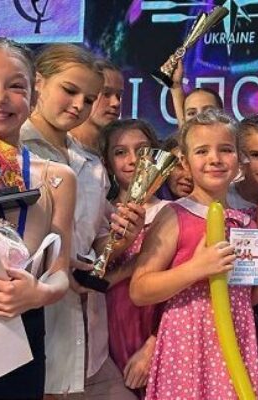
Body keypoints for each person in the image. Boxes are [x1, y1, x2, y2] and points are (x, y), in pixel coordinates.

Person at [129, 109, 258, 399]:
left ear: (239, 158)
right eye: (202, 151)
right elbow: (139, 290)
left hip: (236, 338)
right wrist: (197, 268)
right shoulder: (174, 215)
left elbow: (242, 296)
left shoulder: (246, 221)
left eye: (225, 150)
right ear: (185, 163)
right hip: (187, 341)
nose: (215, 159)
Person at [20, 43, 142, 399]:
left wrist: (122, 236)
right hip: (27, 318)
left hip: (84, 332)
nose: (78, 106)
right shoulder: (12, 150)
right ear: (39, 82)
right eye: (69, 90)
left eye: (89, 99)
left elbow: (96, 246)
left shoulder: (91, 164)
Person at [0, 37, 75, 400]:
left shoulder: (57, 178)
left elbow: (60, 272)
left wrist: (37, 293)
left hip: (18, 337)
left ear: (33, 99)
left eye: (16, 86)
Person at [100, 119, 167, 398]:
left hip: (156, 329)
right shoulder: (99, 214)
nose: (132, 160)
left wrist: (153, 345)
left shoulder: (172, 213)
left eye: (142, 151)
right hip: (106, 331)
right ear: (107, 163)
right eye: (120, 152)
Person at [70, 59, 124, 155]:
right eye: (106, 93)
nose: (116, 103)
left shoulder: (116, 154)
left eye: (119, 95)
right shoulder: (57, 148)